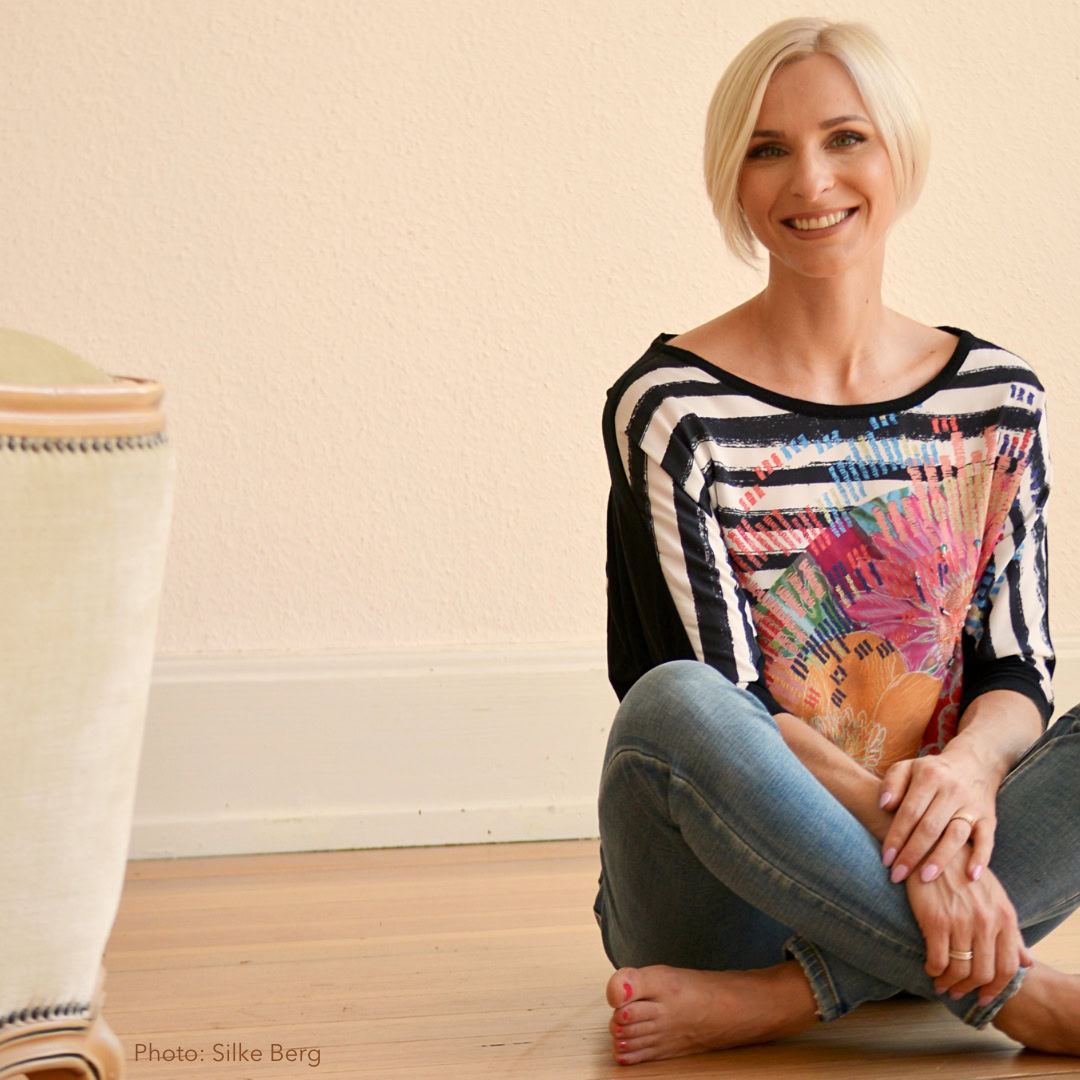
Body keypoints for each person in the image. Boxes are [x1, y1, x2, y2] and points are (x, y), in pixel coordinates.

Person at [594, 16, 1080, 1066]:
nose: (809, 180)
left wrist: (970, 778)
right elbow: (736, 714)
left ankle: (786, 1001)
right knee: (675, 703)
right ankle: (1010, 988)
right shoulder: (669, 408)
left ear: (898, 151)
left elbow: (1017, 669)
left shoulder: (1001, 397)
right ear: (733, 177)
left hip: (947, 855)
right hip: (723, 900)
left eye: (844, 138)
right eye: (768, 149)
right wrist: (927, 854)